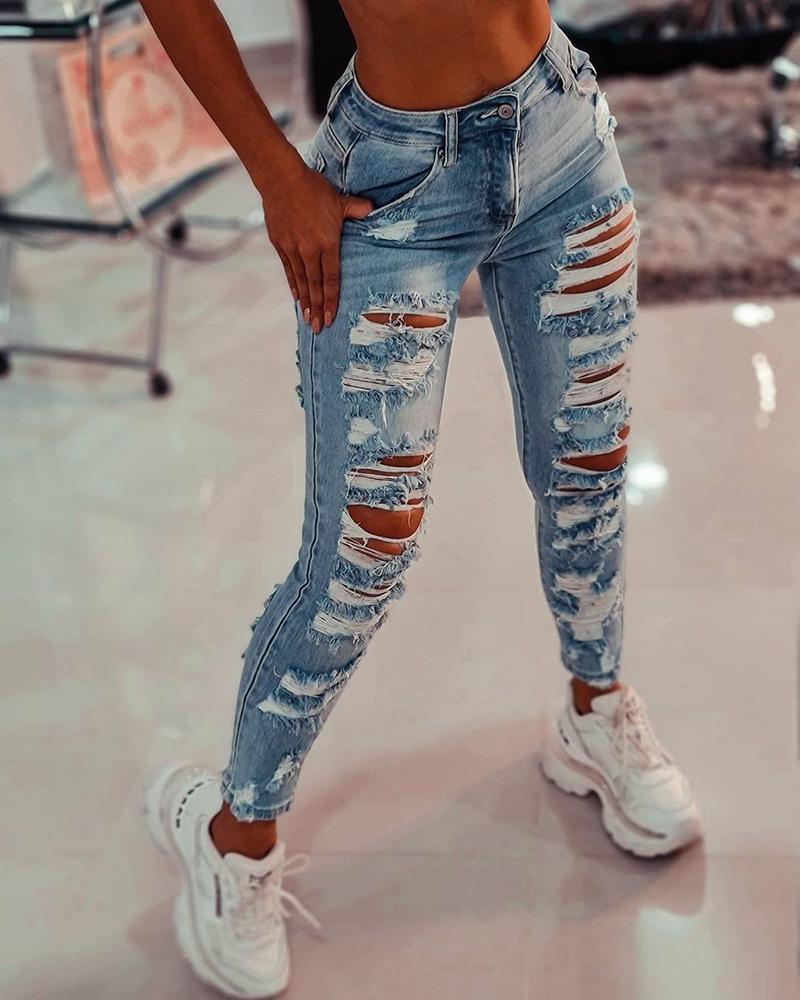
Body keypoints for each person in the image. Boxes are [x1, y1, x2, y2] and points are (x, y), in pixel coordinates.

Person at [139, 2, 702, 996]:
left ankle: (595, 711)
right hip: (391, 185)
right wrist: (276, 175)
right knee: (363, 552)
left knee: (588, 471)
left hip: (559, 130)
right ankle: (234, 835)